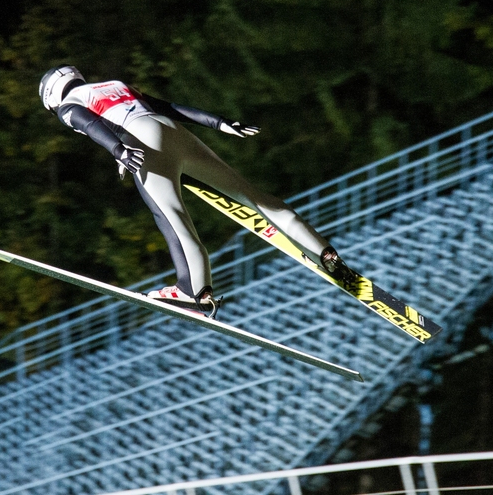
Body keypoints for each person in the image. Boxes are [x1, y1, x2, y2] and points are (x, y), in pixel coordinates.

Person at [39, 65, 352, 316]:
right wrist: (218, 122)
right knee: (252, 195)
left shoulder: (68, 105)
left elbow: (87, 123)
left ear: (52, 97)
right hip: (172, 131)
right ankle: (323, 252)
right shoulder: (114, 85)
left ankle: (193, 290)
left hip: (140, 140)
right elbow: (168, 107)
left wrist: (117, 149)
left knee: (171, 217)